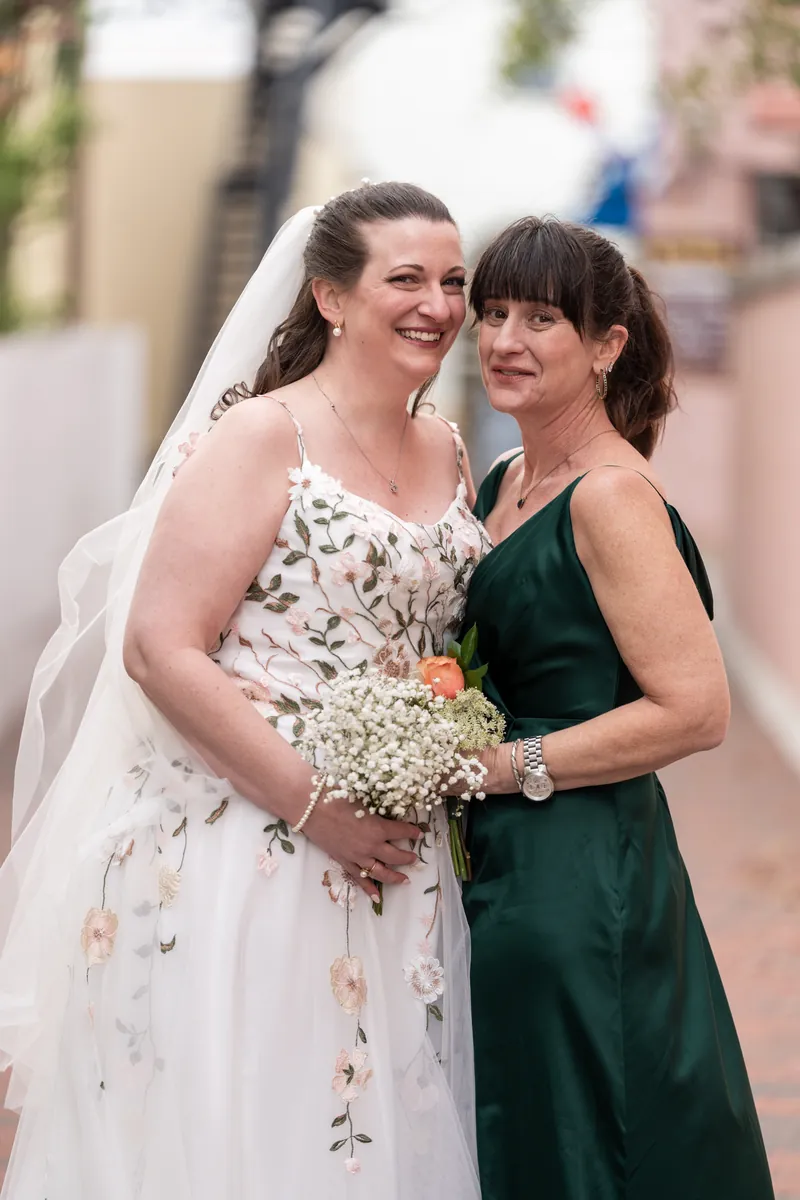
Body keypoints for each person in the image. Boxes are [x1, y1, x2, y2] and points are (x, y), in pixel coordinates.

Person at [0, 182, 490, 1199]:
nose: (437, 304)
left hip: (395, 857)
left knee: (368, 1129)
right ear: (330, 297)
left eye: (451, 281)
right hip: (252, 843)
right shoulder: (262, 438)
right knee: (252, 1128)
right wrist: (320, 809)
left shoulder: (447, 447)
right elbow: (160, 647)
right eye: (404, 278)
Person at [460, 216, 775, 1200]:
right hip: (505, 852)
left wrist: (505, 767)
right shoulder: (508, 477)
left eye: (541, 318)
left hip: (578, 865)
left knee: (589, 1125)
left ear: (605, 346)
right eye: (492, 313)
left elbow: (695, 710)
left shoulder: (605, 498)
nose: (504, 339)